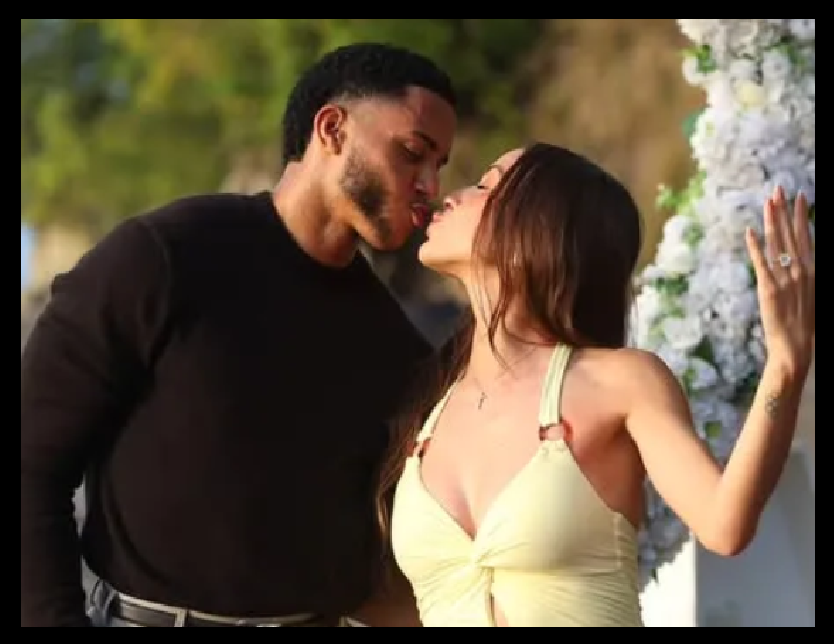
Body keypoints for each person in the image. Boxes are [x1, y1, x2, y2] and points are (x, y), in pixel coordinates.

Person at [21, 42, 457, 627]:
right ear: (332, 129)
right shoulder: (163, 258)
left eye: (439, 166)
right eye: (412, 153)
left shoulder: (395, 345)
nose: (429, 184)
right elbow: (32, 461)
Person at [377, 143, 816, 627]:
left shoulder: (618, 383)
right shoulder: (431, 406)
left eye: (486, 186)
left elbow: (724, 524)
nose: (453, 195)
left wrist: (784, 367)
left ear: (536, 228)